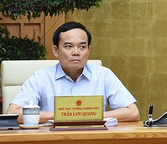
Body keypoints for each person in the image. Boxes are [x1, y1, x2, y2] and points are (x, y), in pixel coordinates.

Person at [7, 21, 140, 123]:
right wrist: (64, 114)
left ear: (89, 50)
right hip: (52, 143)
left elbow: (133, 113)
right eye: (68, 46)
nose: (76, 52)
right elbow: (13, 114)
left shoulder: (104, 75)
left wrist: (89, 115)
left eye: (82, 47)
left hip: (94, 142)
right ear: (55, 51)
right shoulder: (40, 78)